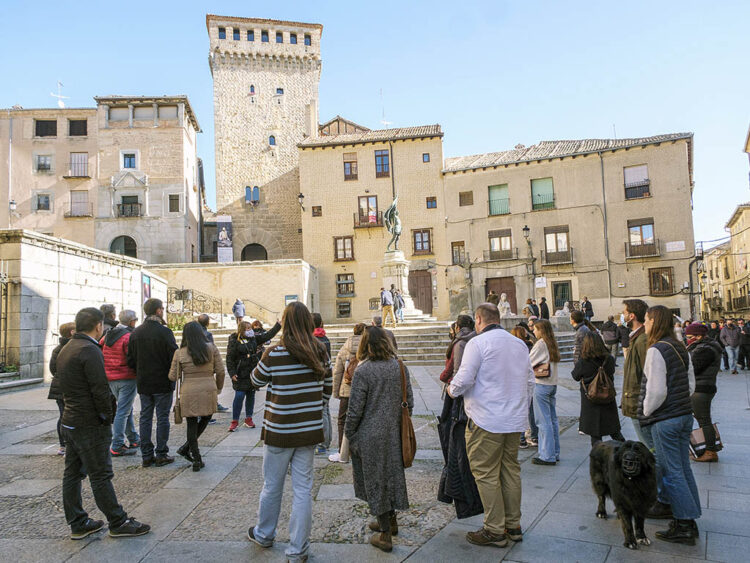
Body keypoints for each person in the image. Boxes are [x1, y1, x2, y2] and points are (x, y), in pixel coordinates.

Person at [247, 302, 331, 563]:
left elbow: (255, 380)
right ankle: (297, 550)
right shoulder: (320, 351)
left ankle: (264, 533)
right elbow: (327, 390)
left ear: (285, 322)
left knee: (272, 486)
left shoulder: (274, 353)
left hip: (279, 429)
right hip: (308, 431)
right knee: (303, 490)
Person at [58, 307, 151, 540]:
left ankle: (78, 522)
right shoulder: (89, 350)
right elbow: (100, 389)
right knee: (100, 474)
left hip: (70, 420)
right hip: (89, 422)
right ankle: (117, 521)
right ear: (98, 326)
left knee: (72, 474)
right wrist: (105, 416)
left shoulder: (67, 348)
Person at [448, 303, 534, 548]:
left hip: (486, 419)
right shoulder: (518, 343)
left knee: (486, 473)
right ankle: (513, 525)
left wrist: (451, 390)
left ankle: (494, 529)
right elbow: (530, 381)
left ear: (478, 320)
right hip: (513, 420)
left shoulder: (478, 343)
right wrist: (521, 409)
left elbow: (464, 378)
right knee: (510, 471)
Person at [346, 326, 413, 552]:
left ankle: (385, 534)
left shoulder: (363, 371)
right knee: (390, 476)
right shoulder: (400, 367)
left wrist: (349, 435)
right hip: (394, 433)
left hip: (369, 435)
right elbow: (409, 403)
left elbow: (354, 409)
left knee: (375, 481)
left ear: (364, 345)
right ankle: (390, 521)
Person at [639, 305, 700, 545]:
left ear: (655, 321)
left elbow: (655, 391)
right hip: (684, 414)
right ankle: (689, 519)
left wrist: (645, 412)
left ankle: (684, 523)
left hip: (666, 419)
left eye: (646, 319)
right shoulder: (679, 346)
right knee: (683, 468)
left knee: (671, 470)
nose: (644, 324)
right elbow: (690, 383)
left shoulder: (656, 350)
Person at [437, 316, 482, 519]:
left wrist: (449, 385)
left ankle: (457, 490)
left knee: (452, 435)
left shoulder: (460, 343)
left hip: (457, 394)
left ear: (457, 327)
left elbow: (456, 372)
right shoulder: (477, 339)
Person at [127, 298, 178, 467]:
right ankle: (161, 453)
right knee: (162, 417)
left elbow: (131, 359)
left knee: (145, 417)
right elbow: (174, 356)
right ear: (157, 311)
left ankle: (146, 455)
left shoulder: (136, 333)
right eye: (162, 308)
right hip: (162, 381)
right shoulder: (164, 332)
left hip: (144, 381)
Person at [169, 321, 225, 471]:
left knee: (191, 423)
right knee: (207, 417)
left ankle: (196, 458)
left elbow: (173, 376)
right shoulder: (211, 348)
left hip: (189, 390)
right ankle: (187, 449)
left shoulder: (180, 353)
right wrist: (218, 387)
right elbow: (220, 371)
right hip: (208, 388)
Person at [226, 319, 281, 432]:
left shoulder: (254, 339)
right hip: (240, 373)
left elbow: (267, 335)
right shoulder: (234, 341)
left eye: (250, 328)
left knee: (251, 395)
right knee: (239, 395)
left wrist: (278, 325)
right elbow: (229, 359)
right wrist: (232, 373)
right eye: (248, 329)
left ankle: (249, 418)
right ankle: (235, 421)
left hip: (251, 372)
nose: (250, 331)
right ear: (242, 330)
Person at [572, 332, 625, 446]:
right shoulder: (609, 359)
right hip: (607, 397)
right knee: (615, 432)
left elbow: (575, 376)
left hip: (591, 399)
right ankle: (624, 450)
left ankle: (598, 458)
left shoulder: (584, 361)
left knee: (595, 435)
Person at [100, 309, 140, 457]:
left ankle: (133, 438)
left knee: (125, 409)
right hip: (126, 377)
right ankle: (117, 445)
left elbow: (100, 345)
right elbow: (132, 357)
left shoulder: (109, 334)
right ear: (131, 321)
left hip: (111, 377)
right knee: (122, 412)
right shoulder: (128, 337)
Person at [329, 323, 366, 463]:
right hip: (363, 390)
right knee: (362, 420)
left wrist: (336, 392)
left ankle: (342, 451)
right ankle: (361, 451)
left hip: (346, 389)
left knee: (342, 421)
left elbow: (337, 371)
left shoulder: (345, 347)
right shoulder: (368, 347)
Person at [685, 323, 722, 462]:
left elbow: (692, 368)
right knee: (703, 419)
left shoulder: (705, 349)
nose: (687, 339)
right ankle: (705, 448)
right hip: (702, 387)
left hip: (701, 388)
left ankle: (710, 451)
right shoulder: (702, 346)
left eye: (689, 337)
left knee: (704, 420)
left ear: (699, 336)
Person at [621, 300, 652, 448]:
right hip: (636, 400)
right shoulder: (636, 338)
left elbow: (649, 374)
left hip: (639, 403)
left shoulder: (642, 340)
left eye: (624, 313)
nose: (622, 315)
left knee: (650, 446)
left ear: (632, 316)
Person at [529, 320, 561, 465]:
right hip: (552, 383)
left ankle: (547, 455)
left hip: (541, 384)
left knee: (543, 421)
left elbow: (528, 362)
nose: (533, 331)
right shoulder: (551, 342)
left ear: (541, 330)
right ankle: (554, 452)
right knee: (552, 420)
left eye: (535, 329)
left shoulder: (540, 344)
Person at [49, 322, 76, 456]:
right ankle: (66, 445)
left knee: (63, 416)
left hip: (59, 386)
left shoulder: (58, 348)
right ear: (72, 332)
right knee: (67, 417)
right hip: (65, 387)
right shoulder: (72, 348)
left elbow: (53, 369)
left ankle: (63, 446)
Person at [510, 326, 536, 449]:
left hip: (518, 382)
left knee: (519, 410)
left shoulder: (514, 348)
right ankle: (534, 436)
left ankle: (521, 439)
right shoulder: (530, 346)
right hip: (527, 381)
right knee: (530, 410)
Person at [313, 313, 333, 455]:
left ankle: (321, 444)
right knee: (325, 410)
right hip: (325, 376)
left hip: (317, 379)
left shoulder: (312, 340)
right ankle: (326, 442)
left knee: (322, 411)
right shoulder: (325, 338)